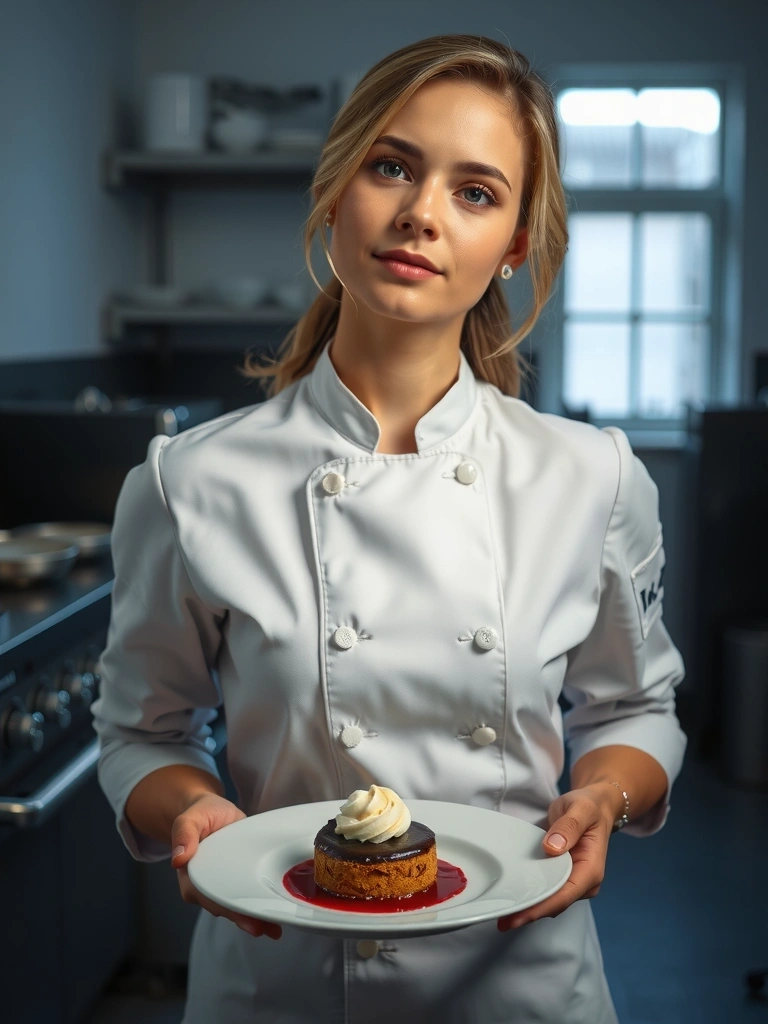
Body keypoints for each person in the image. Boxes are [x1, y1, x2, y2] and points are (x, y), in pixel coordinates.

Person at [91, 33, 687, 1023]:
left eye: (476, 191)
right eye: (392, 166)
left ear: (514, 248)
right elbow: (137, 733)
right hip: (278, 987)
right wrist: (191, 808)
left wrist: (603, 799)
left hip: (524, 985)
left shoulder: (593, 475)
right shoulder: (190, 481)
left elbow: (636, 711)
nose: (421, 212)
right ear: (335, 190)